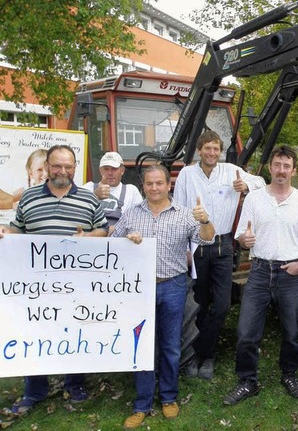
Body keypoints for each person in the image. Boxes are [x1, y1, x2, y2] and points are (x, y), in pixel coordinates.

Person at [0, 144, 108, 415]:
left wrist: (89, 237)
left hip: (76, 283)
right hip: (36, 284)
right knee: (35, 332)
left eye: (68, 166)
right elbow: (19, 228)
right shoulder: (29, 198)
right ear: (47, 166)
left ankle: (75, 384)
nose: (63, 171)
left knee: (76, 330)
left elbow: (103, 230)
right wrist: (6, 232)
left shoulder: (87, 199)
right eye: (57, 165)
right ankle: (35, 389)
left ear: (74, 168)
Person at [113, 164, 215, 429]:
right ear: (143, 186)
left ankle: (169, 398)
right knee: (143, 345)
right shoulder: (131, 214)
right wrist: (126, 239)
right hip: (141, 287)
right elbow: (113, 242)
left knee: (170, 345)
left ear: (168, 185)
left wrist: (205, 220)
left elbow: (207, 239)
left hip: (173, 285)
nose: (155, 188)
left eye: (159, 183)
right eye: (149, 184)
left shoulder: (183, 214)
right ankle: (142, 403)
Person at [224, 146, 298, 405]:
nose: (281, 170)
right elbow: (241, 237)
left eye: (287, 166)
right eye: (277, 165)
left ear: (294, 170)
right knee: (246, 331)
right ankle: (247, 380)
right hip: (260, 271)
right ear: (270, 168)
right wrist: (245, 239)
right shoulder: (254, 199)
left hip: (290, 272)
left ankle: (289, 374)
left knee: (290, 331)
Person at [173, 130, 265, 379]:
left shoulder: (230, 171)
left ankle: (207, 352)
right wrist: (183, 249)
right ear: (199, 150)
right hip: (196, 246)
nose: (212, 153)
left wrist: (245, 185)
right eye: (207, 148)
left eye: (216, 149)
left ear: (220, 151)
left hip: (223, 246)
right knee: (198, 304)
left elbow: (261, 183)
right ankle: (196, 355)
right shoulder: (186, 174)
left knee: (222, 304)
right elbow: (180, 211)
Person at [82, 152, 143, 233]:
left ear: (122, 171)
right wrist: (94, 196)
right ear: (100, 171)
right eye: (106, 169)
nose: (110, 173)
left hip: (119, 242)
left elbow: (140, 220)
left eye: (114, 169)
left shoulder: (131, 191)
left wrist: (116, 228)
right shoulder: (88, 188)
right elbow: (77, 214)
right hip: (92, 241)